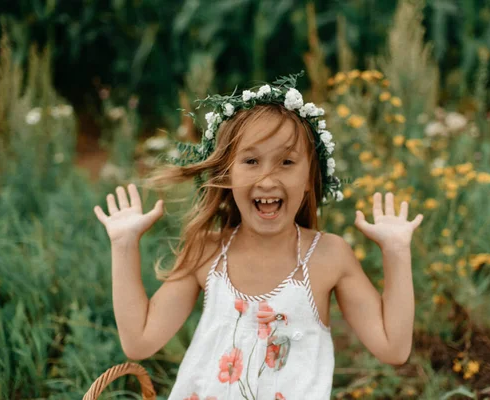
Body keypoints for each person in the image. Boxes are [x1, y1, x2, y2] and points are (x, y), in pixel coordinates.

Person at [94, 73, 423, 400]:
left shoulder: (328, 256)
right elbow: (138, 342)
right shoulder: (208, 251)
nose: (267, 179)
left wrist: (396, 251)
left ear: (309, 177)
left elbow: (393, 348)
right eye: (251, 161)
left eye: (287, 162)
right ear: (227, 173)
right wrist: (124, 245)